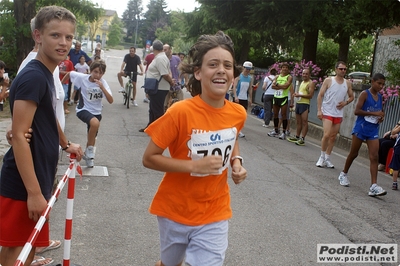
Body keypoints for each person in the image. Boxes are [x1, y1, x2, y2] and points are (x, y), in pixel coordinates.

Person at [142, 30, 247, 266]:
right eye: (213, 64)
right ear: (198, 73)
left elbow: (233, 138)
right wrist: (193, 165)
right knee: (169, 263)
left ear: (232, 75)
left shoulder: (238, 113)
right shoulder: (180, 112)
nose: (221, 69)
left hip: (215, 211)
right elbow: (149, 158)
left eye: (227, 65)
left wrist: (237, 163)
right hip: (175, 211)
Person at [0, 6, 80, 266]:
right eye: (55, 35)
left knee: (28, 246)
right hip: (23, 182)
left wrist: (66, 144)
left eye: (68, 37)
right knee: (16, 252)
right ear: (38, 36)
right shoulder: (34, 75)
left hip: (39, 175)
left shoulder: (48, 72)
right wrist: (34, 193)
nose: (63, 43)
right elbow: (19, 136)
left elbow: (48, 115)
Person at [337, 73, 386, 197]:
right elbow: (357, 111)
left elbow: (379, 112)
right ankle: (343, 174)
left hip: (373, 129)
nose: (381, 86)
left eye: (383, 84)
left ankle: (373, 186)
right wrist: (375, 114)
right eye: (379, 83)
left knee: (374, 156)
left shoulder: (380, 97)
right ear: (372, 82)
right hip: (361, 127)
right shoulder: (365, 94)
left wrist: (380, 117)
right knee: (354, 153)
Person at [62, 60, 113, 168]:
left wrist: (102, 88)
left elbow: (111, 100)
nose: (97, 75)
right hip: (83, 109)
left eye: (100, 73)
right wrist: (59, 87)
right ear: (90, 70)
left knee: (92, 135)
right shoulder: (83, 78)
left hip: (97, 112)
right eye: (95, 72)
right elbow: (69, 74)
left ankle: (89, 158)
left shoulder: (103, 83)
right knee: (94, 123)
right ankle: (90, 153)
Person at [316, 61, 354, 168]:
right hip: (327, 111)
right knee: (327, 134)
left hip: (338, 113)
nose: (343, 71)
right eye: (341, 69)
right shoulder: (329, 80)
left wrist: (345, 102)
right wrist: (319, 110)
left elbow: (351, 97)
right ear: (336, 69)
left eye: (345, 69)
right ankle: (322, 157)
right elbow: (320, 95)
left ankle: (327, 158)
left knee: (333, 137)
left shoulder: (347, 83)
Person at [138, 40, 174, 132]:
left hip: (159, 88)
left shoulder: (160, 58)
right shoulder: (159, 57)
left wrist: (171, 82)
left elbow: (165, 74)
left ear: (154, 48)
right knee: (152, 109)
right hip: (156, 87)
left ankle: (160, 130)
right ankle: (150, 126)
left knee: (157, 110)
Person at [287, 68, 315, 145]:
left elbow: (310, 95)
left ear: (309, 75)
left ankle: (303, 138)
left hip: (305, 104)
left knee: (304, 122)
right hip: (299, 103)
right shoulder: (302, 82)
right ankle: (297, 136)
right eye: (303, 73)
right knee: (298, 122)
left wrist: (300, 95)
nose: (304, 75)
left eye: (306, 74)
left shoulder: (310, 83)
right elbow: (301, 93)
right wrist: (297, 94)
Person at [267, 63, 294, 140]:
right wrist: (280, 86)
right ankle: (276, 130)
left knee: (283, 115)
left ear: (288, 69)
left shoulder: (289, 77)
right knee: (275, 114)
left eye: (286, 67)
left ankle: (284, 132)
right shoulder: (277, 76)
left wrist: (277, 85)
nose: (284, 69)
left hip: (284, 97)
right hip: (276, 97)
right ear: (281, 69)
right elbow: (272, 86)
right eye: (283, 67)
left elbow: (286, 86)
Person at [232, 61, 253, 138]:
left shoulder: (250, 78)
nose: (248, 70)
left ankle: (239, 129)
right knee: (235, 114)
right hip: (238, 98)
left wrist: (250, 98)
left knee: (243, 115)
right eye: (246, 68)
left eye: (249, 69)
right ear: (243, 68)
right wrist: (235, 96)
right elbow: (234, 87)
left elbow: (250, 89)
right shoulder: (238, 77)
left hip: (245, 98)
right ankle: (234, 129)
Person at [163, 44, 182, 110]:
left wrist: (180, 79)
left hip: (176, 85)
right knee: (164, 105)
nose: (164, 51)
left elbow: (182, 69)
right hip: (166, 86)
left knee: (181, 104)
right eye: (163, 50)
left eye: (165, 50)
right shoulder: (162, 60)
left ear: (170, 50)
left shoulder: (176, 59)